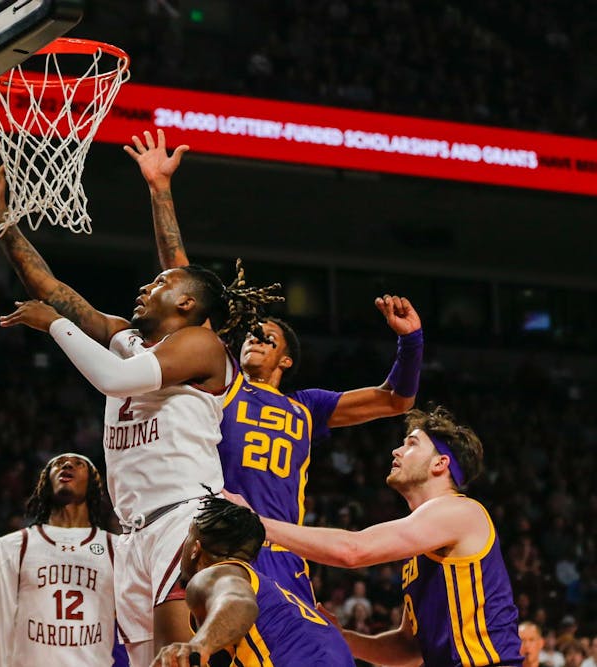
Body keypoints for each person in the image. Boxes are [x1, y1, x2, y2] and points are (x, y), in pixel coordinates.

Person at [0, 168, 281, 664]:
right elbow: (48, 285)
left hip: (182, 514)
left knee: (179, 655)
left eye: (160, 282)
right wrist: (0, 214)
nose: (146, 287)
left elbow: (112, 379)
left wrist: (58, 326)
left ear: (186, 302)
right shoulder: (125, 337)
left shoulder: (201, 344)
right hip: (130, 533)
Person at [127, 128, 424, 605]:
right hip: (219, 537)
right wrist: (160, 191)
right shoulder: (218, 376)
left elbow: (397, 400)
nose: (253, 339)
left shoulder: (308, 408)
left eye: (268, 338)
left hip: (284, 546)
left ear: (287, 359)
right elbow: (183, 284)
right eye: (250, 333)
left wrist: (411, 343)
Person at [237, 406, 523, 667]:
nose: (396, 451)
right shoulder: (423, 544)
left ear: (440, 464)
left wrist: (256, 523)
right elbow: (408, 648)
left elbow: (353, 550)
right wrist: (343, 637)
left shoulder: (460, 512)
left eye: (411, 444)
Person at [152, 495, 353, 666]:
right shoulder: (276, 595)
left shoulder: (215, 575)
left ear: (195, 548)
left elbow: (238, 602)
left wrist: (199, 646)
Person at [0, 454, 116, 667]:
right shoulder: (13, 547)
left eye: (78, 463)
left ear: (93, 483)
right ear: (45, 483)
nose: (67, 464)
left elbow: (136, 627)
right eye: (58, 464)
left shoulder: (116, 548)